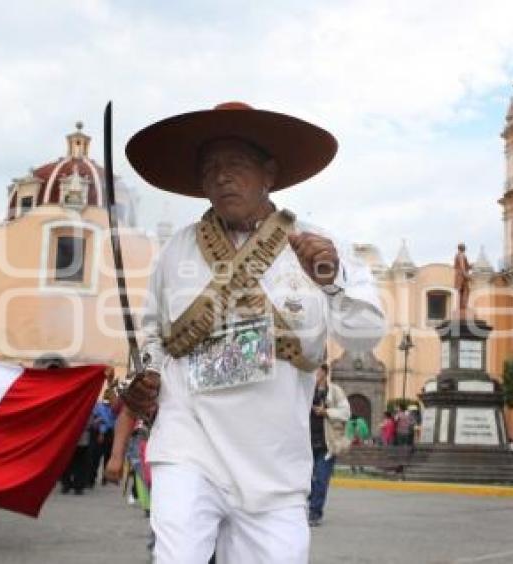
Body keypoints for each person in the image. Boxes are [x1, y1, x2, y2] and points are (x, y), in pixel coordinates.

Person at [121, 102, 385, 563]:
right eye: (211, 169)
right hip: (189, 441)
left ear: (269, 173)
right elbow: (153, 335)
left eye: (235, 165)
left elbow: (366, 333)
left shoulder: (318, 244)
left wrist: (332, 278)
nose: (222, 177)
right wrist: (146, 379)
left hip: (274, 461)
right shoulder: (176, 251)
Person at [308, 363, 350, 527]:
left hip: (327, 444)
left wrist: (326, 412)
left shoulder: (335, 391)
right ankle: (312, 499)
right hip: (306, 444)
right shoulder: (305, 390)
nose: (313, 374)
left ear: (324, 373)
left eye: (316, 371)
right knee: (304, 480)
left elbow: (346, 413)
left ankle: (315, 513)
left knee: (321, 479)